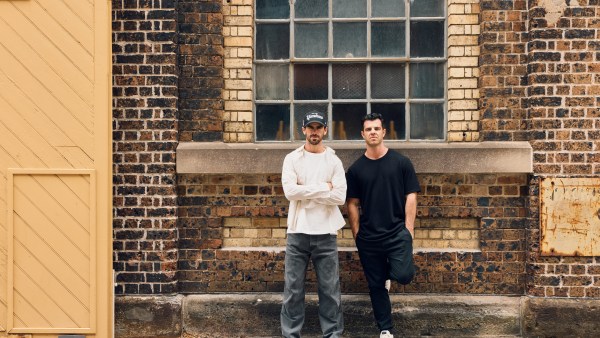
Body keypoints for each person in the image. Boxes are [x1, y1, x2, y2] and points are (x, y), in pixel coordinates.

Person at [345, 113, 421, 338]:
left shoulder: (401, 163)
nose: (373, 132)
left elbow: (411, 196)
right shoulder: (356, 170)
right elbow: (352, 204)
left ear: (384, 132)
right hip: (369, 237)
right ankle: (385, 329)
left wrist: (408, 229)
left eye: (376, 128)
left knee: (405, 274)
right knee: (376, 284)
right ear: (362, 134)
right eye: (368, 129)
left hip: (397, 233)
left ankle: (388, 274)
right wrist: (357, 234)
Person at [280, 111, 347, 338]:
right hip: (297, 232)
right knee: (293, 290)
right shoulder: (292, 159)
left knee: (330, 291)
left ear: (325, 130)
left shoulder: (334, 161)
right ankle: (291, 335)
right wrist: (324, 187)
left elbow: (340, 198)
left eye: (319, 127)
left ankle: (333, 335)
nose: (315, 131)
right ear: (304, 129)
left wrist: (305, 190)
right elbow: (290, 192)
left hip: (326, 233)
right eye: (311, 127)